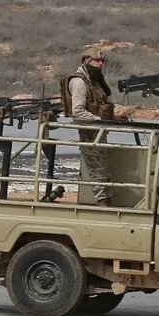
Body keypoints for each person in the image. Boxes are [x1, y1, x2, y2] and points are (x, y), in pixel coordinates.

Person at [61, 47, 123, 206]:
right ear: (87, 60)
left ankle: (106, 200)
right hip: (90, 131)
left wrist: (114, 118)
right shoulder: (80, 82)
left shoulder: (94, 81)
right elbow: (78, 111)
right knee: (97, 170)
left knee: (103, 168)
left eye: (102, 61)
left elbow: (99, 105)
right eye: (97, 61)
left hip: (98, 130)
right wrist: (98, 120)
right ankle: (102, 202)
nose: (100, 64)